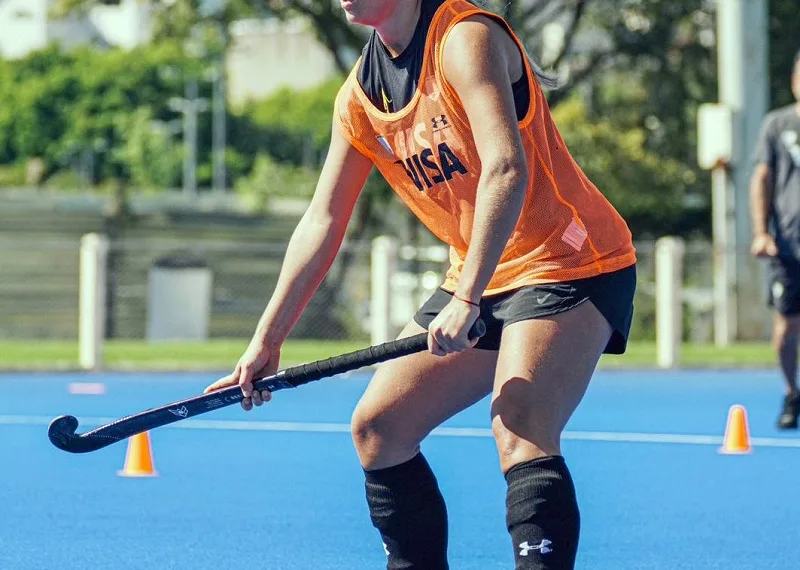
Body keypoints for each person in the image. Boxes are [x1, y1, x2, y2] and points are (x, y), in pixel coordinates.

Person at [205, 1, 637, 568]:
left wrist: (466, 299)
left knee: (522, 421)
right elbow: (324, 220)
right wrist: (266, 339)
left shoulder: (464, 39)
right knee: (379, 428)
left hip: (568, 257)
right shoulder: (359, 96)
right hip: (481, 272)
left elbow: (506, 168)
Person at [750, 49, 800, 431]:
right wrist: (761, 232)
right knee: (787, 325)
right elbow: (762, 179)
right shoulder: (777, 124)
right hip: (787, 245)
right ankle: (791, 392)